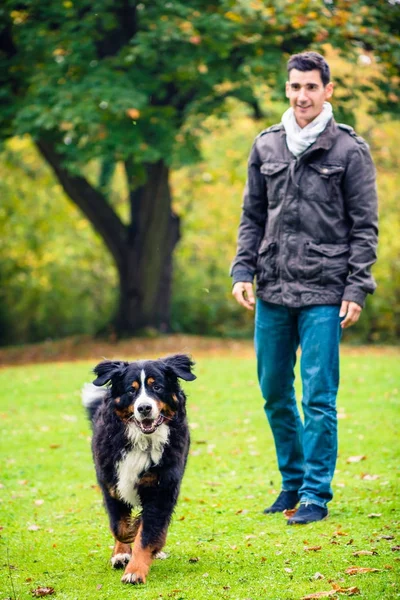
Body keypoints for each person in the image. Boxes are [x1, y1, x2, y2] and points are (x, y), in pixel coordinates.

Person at [230, 51, 378, 525]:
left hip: (325, 292)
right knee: (274, 390)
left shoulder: (349, 151)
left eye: (311, 86)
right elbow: (252, 217)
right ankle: (291, 482)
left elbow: (365, 227)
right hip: (272, 288)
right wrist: (241, 272)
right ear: (287, 89)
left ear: (328, 90)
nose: (302, 95)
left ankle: (315, 494)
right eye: (295, 86)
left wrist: (356, 288)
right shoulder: (267, 146)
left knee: (318, 396)